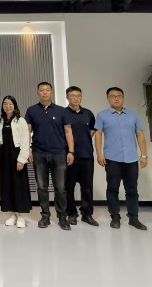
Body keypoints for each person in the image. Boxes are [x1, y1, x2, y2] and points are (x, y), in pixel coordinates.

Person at [95, 87, 149, 230]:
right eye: (113, 96)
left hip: (131, 159)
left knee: (132, 190)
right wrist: (99, 154)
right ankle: (115, 217)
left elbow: (140, 134)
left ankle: (133, 218)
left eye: (119, 96)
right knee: (112, 189)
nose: (116, 98)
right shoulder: (102, 115)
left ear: (123, 98)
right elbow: (98, 135)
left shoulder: (133, 115)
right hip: (112, 159)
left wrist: (144, 155)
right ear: (108, 99)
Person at [25, 82, 74, 230]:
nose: (45, 92)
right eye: (42, 90)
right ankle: (45, 215)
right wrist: (27, 150)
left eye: (47, 90)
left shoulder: (61, 111)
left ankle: (62, 217)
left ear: (51, 92)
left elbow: (68, 131)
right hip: (39, 153)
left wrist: (71, 151)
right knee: (42, 187)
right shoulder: (31, 110)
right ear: (38, 92)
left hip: (59, 153)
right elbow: (27, 131)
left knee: (60, 188)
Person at [63, 86, 98, 226]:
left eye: (78, 96)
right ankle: (71, 214)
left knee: (87, 187)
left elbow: (92, 131)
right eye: (73, 96)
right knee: (69, 187)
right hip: (69, 156)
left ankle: (87, 214)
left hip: (86, 155)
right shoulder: (63, 113)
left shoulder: (88, 114)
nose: (76, 98)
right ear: (67, 97)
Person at [0, 95, 31, 229]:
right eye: (5, 103)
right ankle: (11, 214)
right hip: (5, 156)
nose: (7, 106)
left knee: (19, 185)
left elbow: (25, 142)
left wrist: (21, 160)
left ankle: (21, 216)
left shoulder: (21, 121)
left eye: (10, 104)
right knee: (7, 185)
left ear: (14, 106)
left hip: (16, 154)